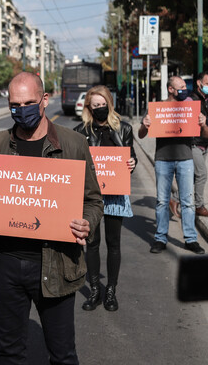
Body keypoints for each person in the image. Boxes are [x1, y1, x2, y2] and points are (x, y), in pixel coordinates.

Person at [0, 72, 104, 364]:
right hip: (6, 265)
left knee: (63, 354)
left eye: (28, 102)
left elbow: (93, 200)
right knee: (10, 353)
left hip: (57, 262)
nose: (21, 110)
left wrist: (86, 223)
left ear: (44, 100)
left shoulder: (73, 144)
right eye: (15, 104)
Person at [74, 85, 137, 312]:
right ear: (89, 108)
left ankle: (111, 290)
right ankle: (94, 290)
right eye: (95, 105)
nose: (100, 108)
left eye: (103, 105)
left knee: (113, 243)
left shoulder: (124, 129)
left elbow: (132, 158)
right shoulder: (80, 132)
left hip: (116, 194)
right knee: (91, 243)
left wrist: (132, 163)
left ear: (109, 104)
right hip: (91, 196)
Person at [138, 76, 208, 255]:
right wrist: (145, 125)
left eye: (185, 86)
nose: (185, 89)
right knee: (162, 201)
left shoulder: (190, 108)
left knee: (187, 201)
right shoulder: (157, 108)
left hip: (185, 158)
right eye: (181, 86)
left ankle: (191, 239)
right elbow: (140, 134)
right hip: (163, 159)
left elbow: (207, 134)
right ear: (170, 89)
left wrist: (202, 123)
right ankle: (160, 238)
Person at [190, 71, 208, 217]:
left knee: (194, 176)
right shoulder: (193, 100)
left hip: (204, 143)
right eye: (207, 84)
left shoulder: (206, 99)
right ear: (199, 83)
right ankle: (199, 206)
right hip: (195, 143)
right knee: (202, 174)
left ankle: (173, 199)